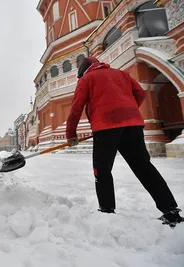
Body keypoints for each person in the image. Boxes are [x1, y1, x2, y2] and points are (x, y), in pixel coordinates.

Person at [65, 56, 183, 226]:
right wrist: (129, 111)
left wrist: (71, 134)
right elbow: (140, 93)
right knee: (144, 168)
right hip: (133, 126)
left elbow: (76, 107)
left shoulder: (86, 79)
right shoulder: (122, 74)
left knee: (102, 170)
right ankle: (170, 210)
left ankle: (106, 210)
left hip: (105, 127)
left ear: (83, 71)